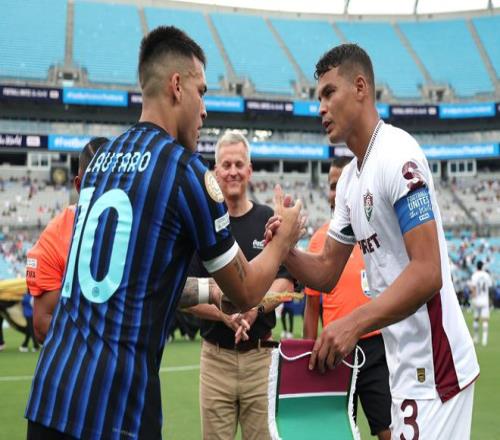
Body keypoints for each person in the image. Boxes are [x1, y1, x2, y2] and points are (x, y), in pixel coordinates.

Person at [25, 26, 301, 440]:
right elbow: (246, 291)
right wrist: (283, 240)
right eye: (201, 92)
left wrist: (210, 292)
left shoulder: (100, 163)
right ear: (176, 86)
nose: (204, 110)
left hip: (51, 394)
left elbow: (131, 277)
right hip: (114, 407)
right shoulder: (185, 171)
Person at [266, 44, 479, 439]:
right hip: (403, 365)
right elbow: (326, 271)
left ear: (360, 87)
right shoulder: (349, 179)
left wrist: (354, 322)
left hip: (436, 368)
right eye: (318, 97)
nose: (320, 108)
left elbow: (428, 271)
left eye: (329, 93)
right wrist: (285, 249)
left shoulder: (398, 156)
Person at [186, 130, 294, 440]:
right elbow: (188, 291)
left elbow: (285, 280)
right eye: (226, 165)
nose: (232, 171)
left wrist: (253, 310)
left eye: (238, 164)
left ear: (249, 169)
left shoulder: (267, 218)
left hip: (260, 359)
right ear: (215, 172)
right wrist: (225, 314)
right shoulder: (203, 224)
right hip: (216, 359)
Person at [303, 157, 391, 440]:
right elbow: (311, 308)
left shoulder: (378, 237)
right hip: (335, 351)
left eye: (342, 184)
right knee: (339, 431)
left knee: (388, 429)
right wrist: (306, 360)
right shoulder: (319, 240)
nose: (336, 192)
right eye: (332, 186)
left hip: (377, 346)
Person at [25, 137, 107, 343]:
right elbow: (43, 324)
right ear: (79, 186)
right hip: (84, 359)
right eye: (99, 184)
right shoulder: (55, 238)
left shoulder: (143, 225)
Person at [470, 260, 493, 346]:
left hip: (477, 300)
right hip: (485, 300)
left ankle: (476, 338)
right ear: (482, 266)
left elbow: (473, 288)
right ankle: (484, 340)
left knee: (476, 318)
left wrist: (473, 299)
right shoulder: (486, 275)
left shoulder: (474, 275)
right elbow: (489, 287)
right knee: (485, 320)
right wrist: (490, 299)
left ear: (476, 266)